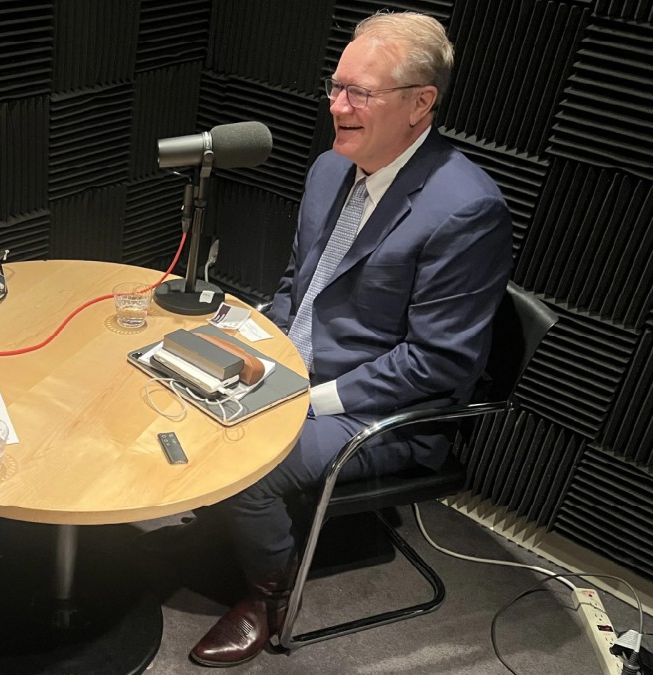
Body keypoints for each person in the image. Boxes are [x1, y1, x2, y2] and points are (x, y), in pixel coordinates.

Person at [189, 12, 512, 667]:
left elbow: (438, 362)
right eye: (335, 87)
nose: (337, 106)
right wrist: (247, 336)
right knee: (178, 388)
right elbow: (298, 287)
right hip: (295, 369)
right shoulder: (328, 171)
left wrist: (310, 398)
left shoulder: (466, 209)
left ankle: (269, 593)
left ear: (421, 104)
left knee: (247, 468)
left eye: (359, 93)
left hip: (383, 411)